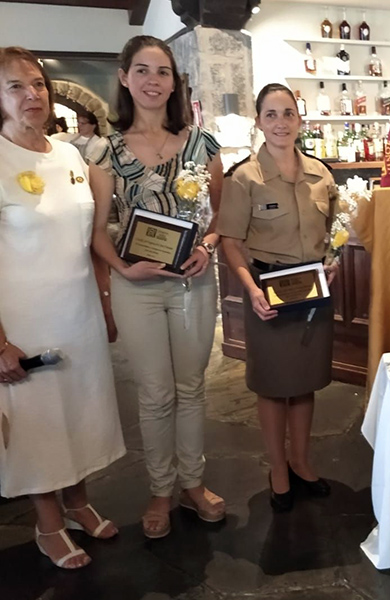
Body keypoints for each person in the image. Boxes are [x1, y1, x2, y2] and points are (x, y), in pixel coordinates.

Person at [90, 35, 225, 538]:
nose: (153, 81)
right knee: (153, 393)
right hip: (137, 285)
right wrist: (124, 271)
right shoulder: (106, 151)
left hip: (192, 281)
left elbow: (222, 212)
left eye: (163, 71)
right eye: (142, 71)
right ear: (125, 78)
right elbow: (99, 229)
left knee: (191, 388)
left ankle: (193, 482)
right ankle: (160, 489)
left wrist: (207, 247)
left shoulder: (201, 144)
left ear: (175, 81)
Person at [0, 46, 125, 569]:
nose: (32, 95)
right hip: (23, 318)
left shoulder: (70, 155)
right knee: (38, 424)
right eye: (15, 86)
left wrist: (106, 299)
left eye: (38, 84)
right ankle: (48, 525)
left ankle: (77, 502)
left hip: (77, 311)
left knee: (78, 411)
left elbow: (89, 238)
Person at [219, 84, 336, 512]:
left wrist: (334, 259)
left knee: (304, 383)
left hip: (313, 291)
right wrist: (250, 290)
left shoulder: (321, 174)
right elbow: (230, 240)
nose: (281, 122)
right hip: (268, 291)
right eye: (271, 115)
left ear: (300, 120)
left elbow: (333, 233)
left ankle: (302, 462)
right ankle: (278, 469)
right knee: (272, 386)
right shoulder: (244, 177)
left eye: (288, 113)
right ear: (259, 122)